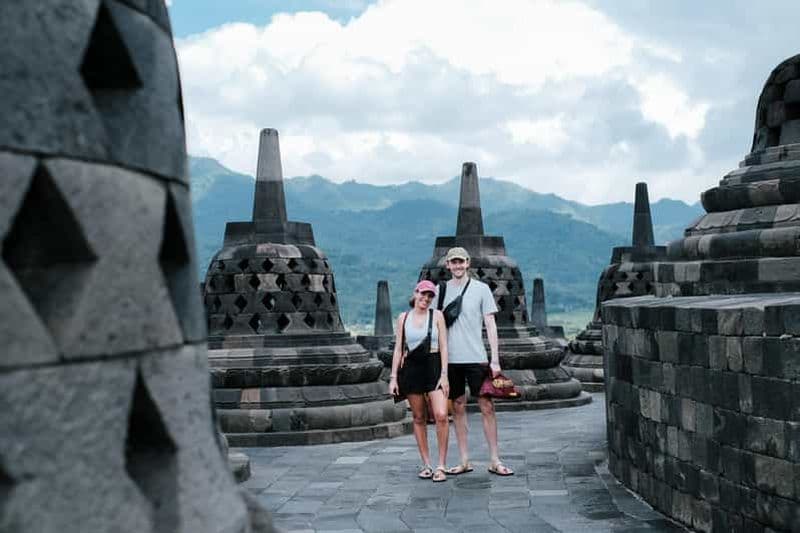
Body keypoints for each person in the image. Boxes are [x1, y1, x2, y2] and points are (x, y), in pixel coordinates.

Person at [439, 247, 514, 476]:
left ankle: (494, 459)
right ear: (448, 265)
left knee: (487, 407)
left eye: (461, 262)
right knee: (458, 407)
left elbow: (490, 325)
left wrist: (495, 359)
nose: (458, 266)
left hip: (477, 357)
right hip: (450, 359)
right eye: (454, 262)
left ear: (468, 263)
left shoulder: (481, 290)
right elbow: (434, 325)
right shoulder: (439, 291)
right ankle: (464, 460)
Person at [389, 280, 450, 482]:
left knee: (441, 414)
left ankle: (441, 464)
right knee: (418, 416)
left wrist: (444, 374)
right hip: (412, 368)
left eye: (430, 296)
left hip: (433, 366)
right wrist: (393, 377)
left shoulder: (437, 316)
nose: (426, 298)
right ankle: (426, 463)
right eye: (423, 294)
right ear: (415, 293)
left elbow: (444, 346)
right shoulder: (403, 318)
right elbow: (398, 349)